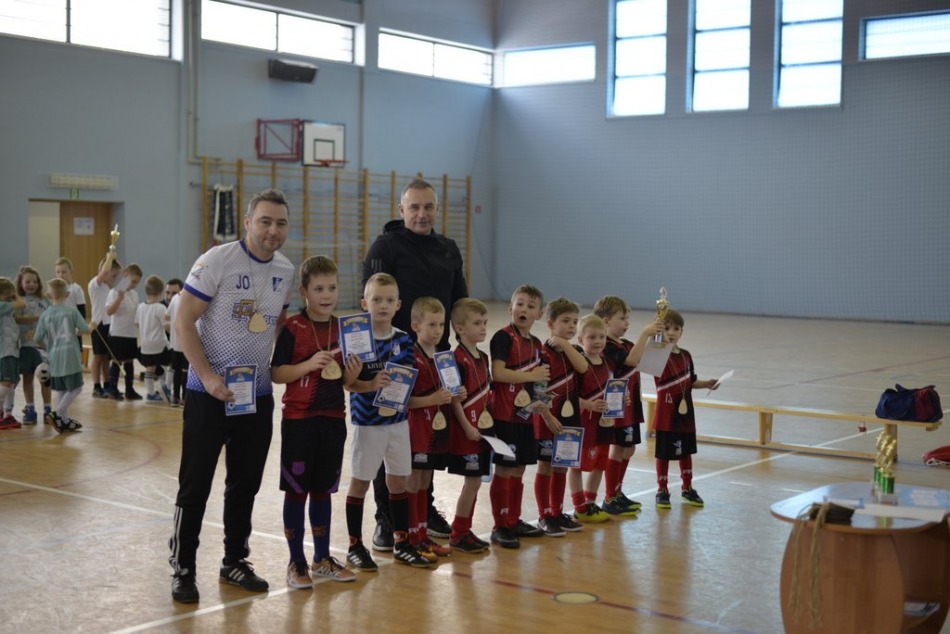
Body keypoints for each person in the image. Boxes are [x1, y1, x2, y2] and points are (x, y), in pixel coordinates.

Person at [168, 187, 294, 604]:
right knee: (195, 485)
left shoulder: (285, 270)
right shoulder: (216, 260)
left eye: (280, 223)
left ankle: (234, 560)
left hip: (254, 396)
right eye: (265, 221)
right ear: (247, 222)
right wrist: (207, 377)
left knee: (245, 484)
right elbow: (183, 320)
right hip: (207, 394)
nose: (273, 230)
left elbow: (277, 323)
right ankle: (183, 567)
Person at [362, 178, 467, 546]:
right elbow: (372, 301)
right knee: (388, 439)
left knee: (428, 439)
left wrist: (465, 358)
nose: (422, 214)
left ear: (437, 209)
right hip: (395, 361)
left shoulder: (448, 249)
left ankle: (424, 508)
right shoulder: (385, 247)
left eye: (429, 207)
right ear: (401, 210)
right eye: (415, 207)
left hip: (436, 360)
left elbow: (460, 305)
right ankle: (386, 517)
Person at [271, 255, 357, 589]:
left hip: (334, 420)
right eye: (319, 289)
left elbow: (347, 382)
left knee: (323, 490)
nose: (327, 295)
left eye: (332, 288)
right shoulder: (294, 328)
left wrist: (353, 375)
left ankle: (322, 559)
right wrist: (308, 365)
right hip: (299, 421)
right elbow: (277, 373)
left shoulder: (345, 329)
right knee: (297, 491)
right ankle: (296, 562)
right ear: (304, 292)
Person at [343, 272, 430, 571]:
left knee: (398, 480)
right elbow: (347, 383)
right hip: (367, 423)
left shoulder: (403, 339)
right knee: (360, 481)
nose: (383, 305)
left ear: (398, 305)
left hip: (398, 421)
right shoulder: (356, 338)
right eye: (377, 299)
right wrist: (369, 383)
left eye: (389, 300)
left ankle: (402, 543)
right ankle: (355, 545)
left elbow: (407, 379)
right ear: (364, 303)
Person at [488, 284, 550, 549]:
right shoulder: (503, 338)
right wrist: (531, 375)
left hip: (526, 418)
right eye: (520, 304)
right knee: (504, 468)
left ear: (539, 314)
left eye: (530, 306)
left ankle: (513, 520)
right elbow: (498, 374)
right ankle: (500, 525)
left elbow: (540, 383)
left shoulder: (537, 344)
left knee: (520, 468)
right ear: (510, 308)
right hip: (504, 416)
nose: (524, 309)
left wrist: (543, 404)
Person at [594, 295, 663, 515]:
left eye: (628, 318)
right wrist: (645, 333)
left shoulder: (627, 345)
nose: (627, 323)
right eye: (622, 318)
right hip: (617, 407)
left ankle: (617, 491)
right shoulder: (606, 346)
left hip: (631, 405)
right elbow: (631, 360)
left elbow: (647, 362)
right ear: (605, 321)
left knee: (629, 448)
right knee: (618, 448)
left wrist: (660, 337)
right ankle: (609, 497)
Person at [653, 308, 718, 509]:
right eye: (666, 328)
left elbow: (691, 381)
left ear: (682, 331)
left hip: (685, 414)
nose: (671, 332)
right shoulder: (657, 353)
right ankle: (662, 490)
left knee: (686, 452)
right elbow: (651, 352)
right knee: (663, 453)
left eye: (676, 329)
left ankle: (687, 488)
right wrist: (656, 333)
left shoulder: (686, 356)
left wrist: (706, 384)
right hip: (666, 414)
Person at [405, 297, 455, 562]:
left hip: (435, 430)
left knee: (425, 481)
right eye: (432, 325)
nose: (438, 331)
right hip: (416, 428)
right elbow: (402, 400)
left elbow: (446, 392)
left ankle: (423, 535)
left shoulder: (442, 358)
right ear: (416, 326)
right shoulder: (409, 357)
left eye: (441, 325)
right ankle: (412, 537)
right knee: (414, 481)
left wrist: (455, 393)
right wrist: (432, 399)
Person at [534, 298, 589, 536]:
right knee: (545, 465)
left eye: (575, 322)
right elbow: (537, 390)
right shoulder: (542, 353)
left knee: (562, 466)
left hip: (570, 419)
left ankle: (557, 512)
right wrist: (546, 416)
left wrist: (566, 345)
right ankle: (544, 515)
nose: (571, 326)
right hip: (548, 418)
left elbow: (584, 368)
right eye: (565, 321)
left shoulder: (573, 351)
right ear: (550, 324)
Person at [445, 298, 490, 553]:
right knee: (472, 481)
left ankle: (465, 530)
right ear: (460, 328)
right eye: (477, 323)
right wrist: (466, 427)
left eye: (484, 322)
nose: (483, 328)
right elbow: (454, 400)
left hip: (482, 431)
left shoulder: (483, 357)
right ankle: (458, 533)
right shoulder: (457, 359)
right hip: (466, 432)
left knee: (476, 481)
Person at [569, 314, 615, 523]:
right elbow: (569, 397)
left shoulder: (607, 363)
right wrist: (588, 405)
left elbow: (610, 390)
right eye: (592, 337)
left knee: (599, 464)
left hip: (604, 423)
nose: (598, 341)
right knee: (577, 465)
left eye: (602, 337)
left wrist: (620, 399)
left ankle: (590, 503)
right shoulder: (579, 366)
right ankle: (579, 506)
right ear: (580, 340)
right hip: (584, 423)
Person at [34, 278, 90, 433]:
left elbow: (37, 338)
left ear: (48, 295)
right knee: (76, 387)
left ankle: (63, 421)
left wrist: (49, 347)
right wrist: (90, 326)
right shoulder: (72, 311)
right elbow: (85, 329)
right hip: (70, 354)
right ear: (67, 294)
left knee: (62, 388)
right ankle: (57, 413)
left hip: (54, 355)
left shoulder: (45, 315)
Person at [14, 266, 51, 424]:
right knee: (28, 378)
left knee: (45, 377)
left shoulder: (45, 300)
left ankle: (48, 409)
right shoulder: (18, 301)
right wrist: (36, 319)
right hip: (26, 345)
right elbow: (16, 318)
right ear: (21, 283)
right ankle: (30, 408)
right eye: (28, 281)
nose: (31, 284)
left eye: (34, 281)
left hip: (42, 346)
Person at [87, 246, 121, 399]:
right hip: (98, 324)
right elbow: (105, 271)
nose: (114, 278)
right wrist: (110, 257)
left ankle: (107, 384)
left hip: (109, 324)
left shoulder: (108, 288)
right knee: (98, 357)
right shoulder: (95, 284)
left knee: (106, 357)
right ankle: (96, 386)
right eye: (113, 275)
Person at [105, 263, 142, 400]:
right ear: (125, 276)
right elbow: (109, 311)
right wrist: (118, 299)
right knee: (117, 361)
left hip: (130, 333)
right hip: (118, 333)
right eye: (133, 281)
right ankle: (113, 390)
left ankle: (129, 390)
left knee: (129, 362)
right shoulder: (114, 292)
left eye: (137, 282)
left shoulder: (134, 294)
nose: (134, 285)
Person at [136, 275, 171, 402]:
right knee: (172, 364)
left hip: (145, 345)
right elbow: (167, 326)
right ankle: (166, 387)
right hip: (160, 344)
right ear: (161, 292)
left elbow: (137, 323)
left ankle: (150, 393)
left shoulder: (140, 307)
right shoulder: (161, 308)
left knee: (150, 369)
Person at [0, 278, 25, 429]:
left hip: (12, 350)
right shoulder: (2, 305)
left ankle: (6, 414)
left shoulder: (5, 306)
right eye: (8, 295)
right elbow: (22, 304)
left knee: (12, 383)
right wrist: (14, 295)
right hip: (5, 351)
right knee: (6, 383)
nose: (11, 297)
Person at [54, 257, 87, 353]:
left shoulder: (76, 289)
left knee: (74, 353)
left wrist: (81, 326)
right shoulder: (54, 290)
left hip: (73, 328)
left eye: (64, 272)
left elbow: (81, 309)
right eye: (58, 272)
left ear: (71, 272)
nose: (61, 275)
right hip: (59, 328)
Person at [164, 280, 187, 407]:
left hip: (175, 343)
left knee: (177, 370)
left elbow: (166, 316)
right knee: (185, 371)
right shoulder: (188, 298)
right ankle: (184, 397)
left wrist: (172, 327)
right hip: (186, 342)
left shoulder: (175, 299)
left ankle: (175, 397)